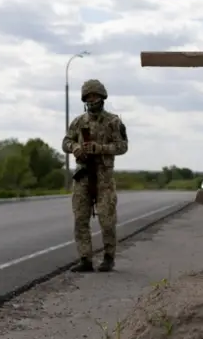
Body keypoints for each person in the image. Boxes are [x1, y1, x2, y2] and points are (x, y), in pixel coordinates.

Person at [62, 79, 128, 272]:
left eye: (95, 96)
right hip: (83, 175)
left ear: (102, 97)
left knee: (107, 219)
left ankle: (108, 257)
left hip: (104, 177)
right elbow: (66, 141)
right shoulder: (78, 122)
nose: (92, 100)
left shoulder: (113, 121)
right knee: (80, 218)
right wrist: (75, 148)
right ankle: (85, 259)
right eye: (88, 96)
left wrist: (100, 149)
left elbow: (122, 146)